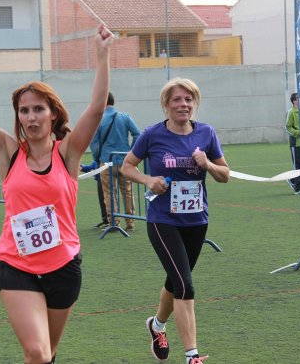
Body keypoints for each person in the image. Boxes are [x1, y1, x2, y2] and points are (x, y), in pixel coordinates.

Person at [0, 21, 113, 364]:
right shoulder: (8, 151)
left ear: (52, 114)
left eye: (38, 109)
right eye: (24, 111)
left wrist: (102, 56)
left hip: (63, 266)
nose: (31, 117)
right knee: (37, 350)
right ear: (18, 117)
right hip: (16, 264)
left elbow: (95, 109)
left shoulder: (69, 152)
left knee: (46, 354)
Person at [120, 78, 230, 364]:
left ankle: (157, 325)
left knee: (176, 280)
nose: (184, 104)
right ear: (166, 105)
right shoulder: (152, 135)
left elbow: (225, 175)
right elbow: (126, 167)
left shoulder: (206, 133)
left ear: (195, 103)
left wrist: (207, 164)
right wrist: (148, 179)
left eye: (189, 99)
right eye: (177, 100)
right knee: (185, 285)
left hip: (196, 220)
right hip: (162, 219)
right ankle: (192, 356)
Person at [89, 92, 140, 232]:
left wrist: (97, 158)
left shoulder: (98, 120)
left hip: (106, 161)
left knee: (109, 194)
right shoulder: (124, 117)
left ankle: (114, 222)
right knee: (127, 192)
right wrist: (131, 151)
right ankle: (130, 222)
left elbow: (94, 144)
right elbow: (137, 134)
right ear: (113, 101)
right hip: (125, 161)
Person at [79, 160, 109, 229]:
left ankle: (111, 221)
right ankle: (106, 221)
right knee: (102, 202)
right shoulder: (98, 159)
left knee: (108, 201)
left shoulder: (104, 156)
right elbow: (92, 167)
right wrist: (82, 167)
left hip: (107, 181)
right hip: (100, 181)